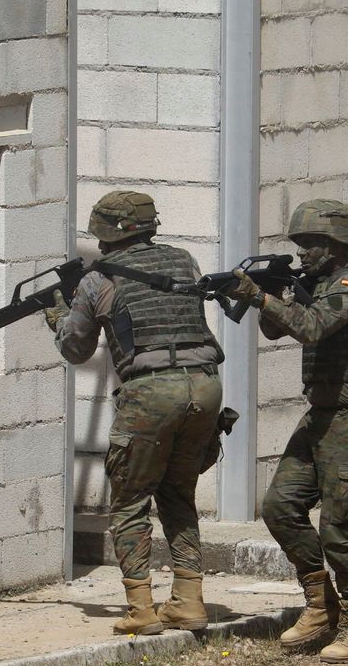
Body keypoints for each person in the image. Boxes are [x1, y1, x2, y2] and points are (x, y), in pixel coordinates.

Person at [49, 190, 224, 637]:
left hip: (151, 393)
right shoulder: (184, 260)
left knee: (129, 501)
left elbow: (76, 347)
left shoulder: (97, 280)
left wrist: (58, 315)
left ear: (105, 232)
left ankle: (140, 609)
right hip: (204, 385)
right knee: (177, 495)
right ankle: (188, 601)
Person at [229, 199, 348, 664]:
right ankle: (320, 604)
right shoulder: (316, 284)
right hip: (322, 415)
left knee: (340, 524)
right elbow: (274, 331)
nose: (304, 253)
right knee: (280, 506)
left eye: (313, 244)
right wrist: (270, 294)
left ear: (337, 243)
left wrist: (261, 296)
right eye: (300, 244)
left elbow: (314, 327)